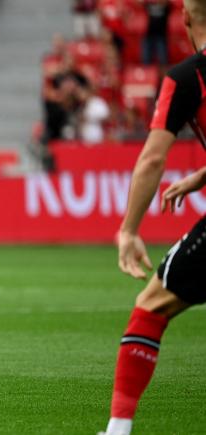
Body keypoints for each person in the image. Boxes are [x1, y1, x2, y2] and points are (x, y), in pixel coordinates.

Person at [101, 1, 206, 434]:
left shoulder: (187, 77)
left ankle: (118, 430)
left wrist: (128, 229)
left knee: (150, 307)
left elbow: (151, 160)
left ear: (183, 18)